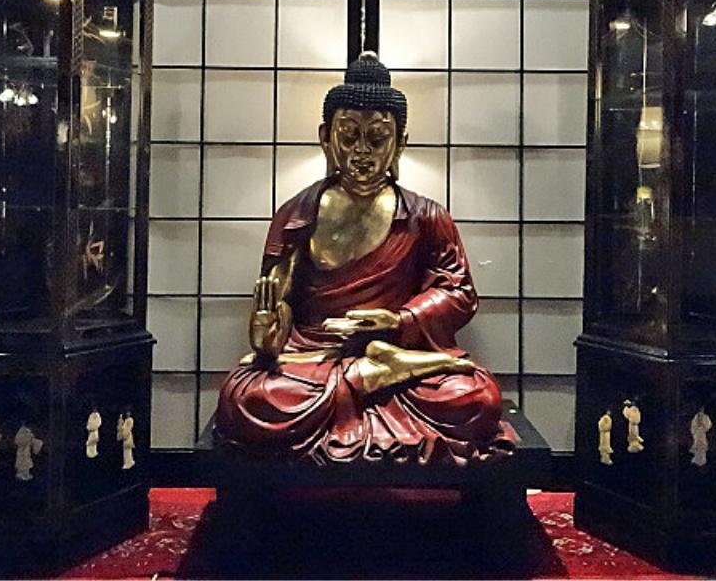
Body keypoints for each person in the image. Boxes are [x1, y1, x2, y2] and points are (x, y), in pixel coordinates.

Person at [215, 53, 513, 465]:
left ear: (400, 143)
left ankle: (387, 371)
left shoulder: (425, 216)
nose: (361, 152)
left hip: (394, 347)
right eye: (349, 136)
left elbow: (459, 293)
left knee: (476, 396)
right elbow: (276, 307)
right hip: (315, 359)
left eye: (377, 139)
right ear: (325, 138)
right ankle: (374, 377)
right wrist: (267, 337)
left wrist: (398, 321)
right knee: (247, 397)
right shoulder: (298, 215)